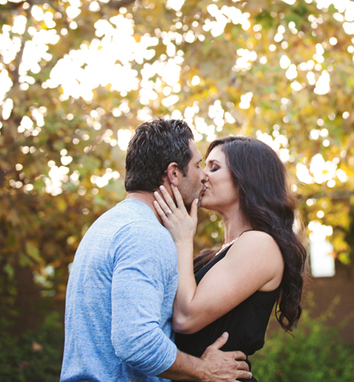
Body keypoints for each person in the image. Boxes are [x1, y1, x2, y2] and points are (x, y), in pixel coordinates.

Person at [61, 119, 252, 382]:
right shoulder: (145, 234)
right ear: (174, 173)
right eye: (197, 165)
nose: (202, 175)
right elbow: (135, 340)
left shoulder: (107, 225)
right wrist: (203, 369)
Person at [153, 136, 306, 379]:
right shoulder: (220, 253)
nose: (203, 176)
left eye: (213, 167)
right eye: (203, 167)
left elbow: (185, 317)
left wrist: (182, 239)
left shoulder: (260, 244)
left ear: (248, 177)